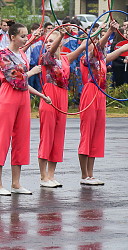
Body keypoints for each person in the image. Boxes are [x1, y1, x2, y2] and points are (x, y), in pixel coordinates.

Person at [78, 21, 128, 186]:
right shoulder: (86, 58)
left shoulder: (102, 59)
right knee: (87, 134)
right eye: (94, 43)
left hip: (100, 95)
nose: (99, 46)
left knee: (97, 134)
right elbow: (99, 45)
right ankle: (84, 175)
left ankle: (91, 174)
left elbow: (121, 50)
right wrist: (109, 31)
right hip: (90, 93)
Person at [0, 23, 49, 196]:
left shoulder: (22, 54)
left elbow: (23, 85)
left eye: (27, 36)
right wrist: (31, 73)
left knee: (21, 141)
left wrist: (41, 95)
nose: (26, 39)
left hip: (23, 98)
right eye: (23, 36)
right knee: (3, 139)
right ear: (12, 37)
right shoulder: (3, 55)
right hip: (9, 98)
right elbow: (15, 79)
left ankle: (16, 184)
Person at [37, 27, 89, 188]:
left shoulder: (65, 59)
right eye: (46, 41)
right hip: (49, 95)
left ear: (61, 43)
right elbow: (52, 51)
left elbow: (82, 47)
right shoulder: (46, 57)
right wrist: (59, 36)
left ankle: (51, 175)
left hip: (62, 96)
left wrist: (95, 33)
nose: (48, 44)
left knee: (58, 137)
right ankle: (43, 176)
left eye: (51, 41)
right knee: (47, 136)